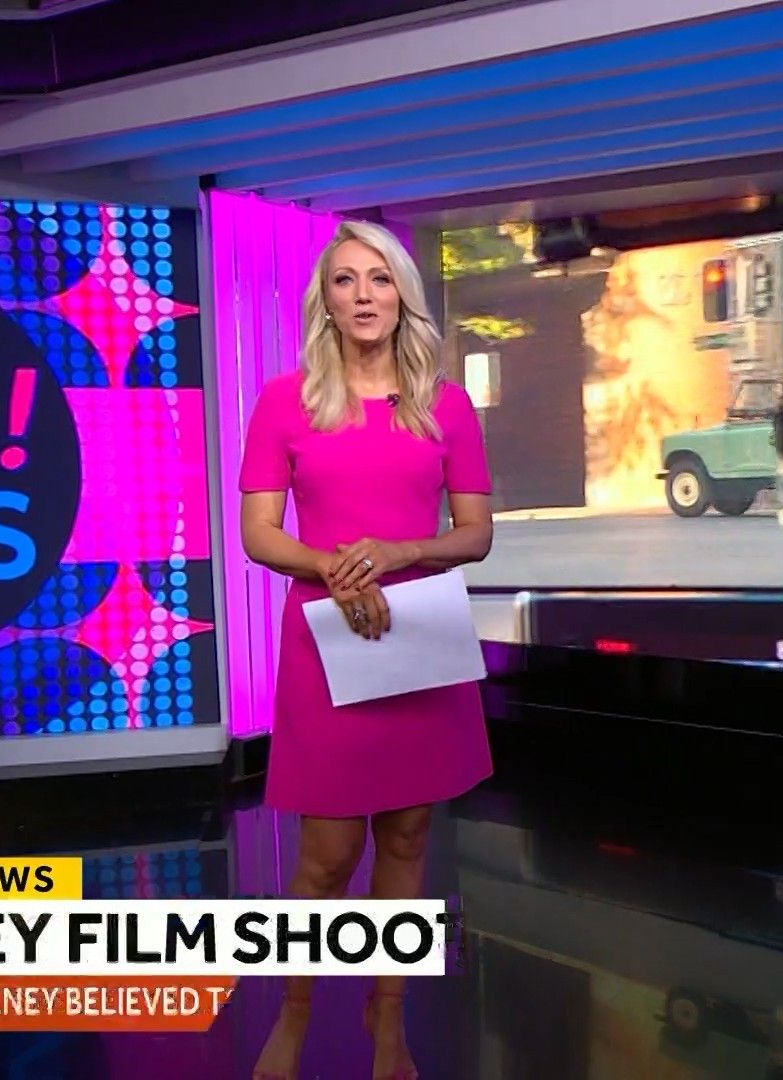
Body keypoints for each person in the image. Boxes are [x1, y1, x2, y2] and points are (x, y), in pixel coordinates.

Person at [238, 219, 494, 1080]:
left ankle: (389, 1017)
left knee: (410, 836)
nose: (363, 296)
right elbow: (259, 534)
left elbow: (475, 533)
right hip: (327, 637)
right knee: (328, 854)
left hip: (416, 634)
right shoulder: (287, 400)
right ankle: (295, 1012)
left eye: (379, 279)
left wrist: (401, 551)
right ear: (326, 299)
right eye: (345, 280)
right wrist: (331, 568)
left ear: (402, 296)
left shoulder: (444, 405)